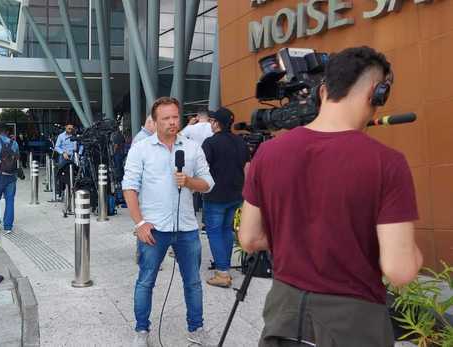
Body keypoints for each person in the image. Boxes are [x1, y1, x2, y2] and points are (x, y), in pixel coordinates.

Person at [239, 46, 423, 346]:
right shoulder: (387, 163)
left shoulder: (269, 153)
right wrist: (412, 253)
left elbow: (249, 238)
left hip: (284, 314)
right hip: (352, 322)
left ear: (322, 91)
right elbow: (400, 270)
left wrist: (299, 239)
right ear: (378, 94)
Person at [122, 97, 215, 346]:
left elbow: (208, 183)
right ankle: (142, 330)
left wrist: (189, 181)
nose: (172, 122)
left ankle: (196, 328)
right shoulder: (140, 148)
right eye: (166, 118)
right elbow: (129, 187)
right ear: (154, 120)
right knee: (146, 281)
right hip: (154, 228)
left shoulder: (193, 147)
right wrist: (139, 224)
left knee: (193, 282)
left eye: (175, 116)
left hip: (186, 228)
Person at [200, 107, 250, 288]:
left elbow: (202, 168)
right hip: (236, 194)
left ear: (216, 123)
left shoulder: (210, 143)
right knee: (227, 231)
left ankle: (222, 273)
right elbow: (247, 168)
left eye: (212, 121)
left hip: (215, 195)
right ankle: (224, 267)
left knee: (214, 231)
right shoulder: (240, 142)